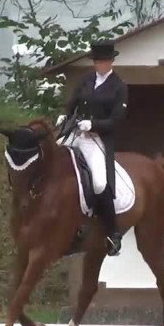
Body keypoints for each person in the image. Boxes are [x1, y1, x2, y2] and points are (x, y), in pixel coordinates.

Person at [55, 41, 128, 256]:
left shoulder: (119, 86)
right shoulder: (86, 79)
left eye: (104, 61)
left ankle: (112, 233)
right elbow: (74, 100)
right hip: (76, 133)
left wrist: (94, 125)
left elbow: (117, 119)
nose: (100, 65)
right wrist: (65, 115)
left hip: (97, 138)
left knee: (98, 182)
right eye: (97, 61)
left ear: (111, 61)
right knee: (53, 161)